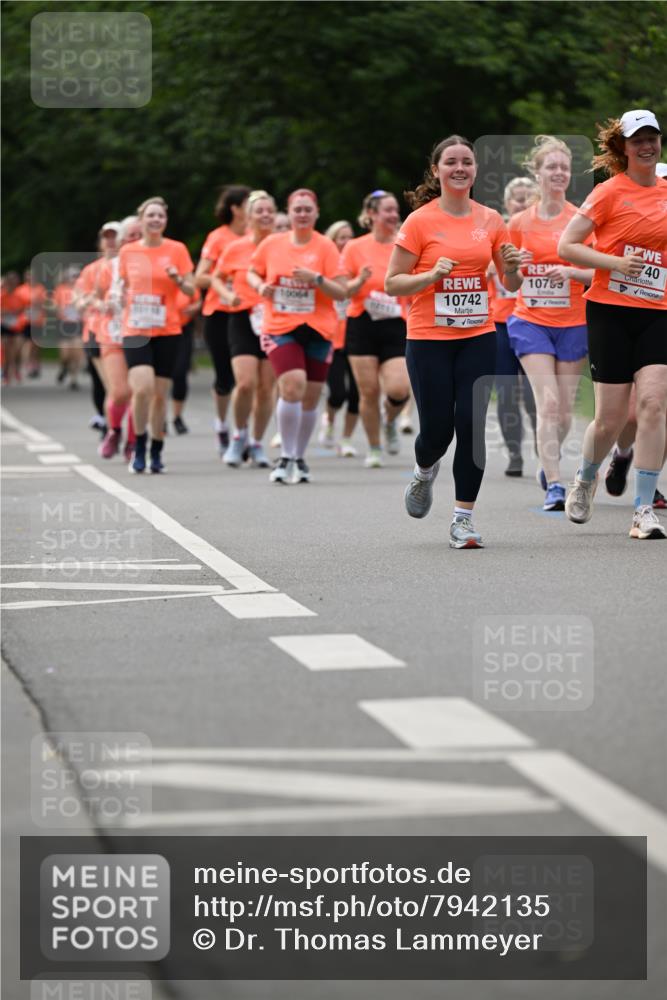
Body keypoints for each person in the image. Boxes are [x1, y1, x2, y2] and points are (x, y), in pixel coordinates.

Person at [385, 135, 522, 548]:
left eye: (467, 162)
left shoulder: (490, 219)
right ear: (436, 171)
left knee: (471, 426)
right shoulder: (420, 222)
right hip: (429, 337)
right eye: (451, 162)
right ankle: (424, 471)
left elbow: (511, 283)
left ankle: (463, 519)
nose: (459, 168)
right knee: (438, 431)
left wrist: (514, 268)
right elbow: (392, 282)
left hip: (478, 335)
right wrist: (430, 277)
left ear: (476, 170)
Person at [559, 109, 667, 540]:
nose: (646, 145)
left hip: (659, 310)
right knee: (610, 418)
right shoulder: (607, 193)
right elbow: (567, 246)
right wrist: (615, 262)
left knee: (654, 405)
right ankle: (586, 478)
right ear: (622, 147)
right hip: (610, 310)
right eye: (637, 139)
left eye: (652, 138)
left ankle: (643, 508)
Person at [506, 137, 593, 509]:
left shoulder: (581, 219)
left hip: (573, 321)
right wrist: (514, 266)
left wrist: (572, 272)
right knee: (550, 402)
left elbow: (598, 273)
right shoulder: (519, 222)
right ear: (537, 173)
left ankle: (548, 460)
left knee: (565, 412)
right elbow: (509, 283)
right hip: (531, 320)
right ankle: (556, 485)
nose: (558, 173)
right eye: (551, 167)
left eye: (564, 167)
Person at [247, 187, 347, 483]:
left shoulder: (326, 246)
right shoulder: (272, 244)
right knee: (292, 385)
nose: (302, 214)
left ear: (316, 214)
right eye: (297, 209)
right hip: (280, 326)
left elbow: (342, 290)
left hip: (318, 328)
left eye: (307, 209)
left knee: (311, 397)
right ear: (288, 214)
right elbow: (252, 271)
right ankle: (286, 456)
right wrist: (259, 286)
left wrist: (316, 279)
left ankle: (300, 458)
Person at [118, 196, 195, 474]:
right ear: (141, 219)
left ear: (165, 221)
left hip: (168, 329)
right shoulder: (127, 252)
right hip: (136, 329)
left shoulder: (177, 250)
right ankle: (138, 445)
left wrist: (177, 279)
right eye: (150, 215)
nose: (155, 220)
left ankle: (157, 448)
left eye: (160, 216)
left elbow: (191, 291)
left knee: (160, 396)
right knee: (142, 389)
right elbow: (121, 286)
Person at [341, 191, 410, 467]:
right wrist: (358, 281)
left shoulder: (404, 245)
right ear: (371, 215)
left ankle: (390, 420)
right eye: (387, 210)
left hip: (396, 322)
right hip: (362, 323)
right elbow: (342, 289)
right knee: (368, 391)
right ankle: (374, 447)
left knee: (399, 388)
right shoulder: (354, 247)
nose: (394, 215)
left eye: (395, 210)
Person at [211, 189, 277, 467]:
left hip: (275, 320)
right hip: (241, 317)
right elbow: (216, 278)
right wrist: (227, 297)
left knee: (266, 387)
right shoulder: (235, 247)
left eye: (269, 210)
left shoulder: (282, 245)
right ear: (248, 217)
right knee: (246, 382)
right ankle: (238, 435)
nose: (264, 215)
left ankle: (257, 442)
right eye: (258, 211)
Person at [195, 185, 251, 454]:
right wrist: (227, 276)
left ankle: (245, 431)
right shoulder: (218, 238)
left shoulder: (258, 238)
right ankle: (221, 424)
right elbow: (200, 276)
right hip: (219, 312)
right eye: (248, 204)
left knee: (248, 378)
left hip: (250, 312)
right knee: (224, 378)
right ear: (236, 208)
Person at [489, 177, 538, 476]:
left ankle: (545, 448)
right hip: (501, 323)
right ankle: (515, 454)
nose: (520, 202)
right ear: (506, 204)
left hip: (535, 321)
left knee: (536, 394)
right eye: (515, 198)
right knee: (507, 392)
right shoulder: (494, 235)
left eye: (527, 197)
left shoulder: (543, 233)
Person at [319, 220, 360, 457]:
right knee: (337, 393)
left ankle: (346, 439)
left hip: (355, 336)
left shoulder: (359, 263)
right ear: (332, 241)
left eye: (349, 236)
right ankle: (330, 419)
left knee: (356, 394)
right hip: (332, 337)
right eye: (341, 237)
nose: (346, 242)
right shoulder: (326, 265)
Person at [171, 286, 201, 434]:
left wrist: (194, 308)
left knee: (180, 373)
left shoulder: (186, 282)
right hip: (159, 330)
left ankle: (177, 417)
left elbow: (199, 301)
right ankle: (159, 418)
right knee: (158, 377)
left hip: (183, 329)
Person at [53, 266, 84, 389]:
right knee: (65, 354)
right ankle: (64, 367)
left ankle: (73, 380)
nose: (75, 278)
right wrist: (61, 309)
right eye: (72, 276)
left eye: (77, 275)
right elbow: (54, 305)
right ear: (67, 278)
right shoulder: (60, 289)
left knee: (77, 353)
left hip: (77, 323)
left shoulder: (82, 289)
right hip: (64, 324)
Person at [16, 268, 47, 379]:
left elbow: (45, 304)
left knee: (36, 345)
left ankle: (35, 363)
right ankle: (28, 364)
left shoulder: (40, 289)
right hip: (25, 321)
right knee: (27, 343)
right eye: (28, 276)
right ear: (25, 277)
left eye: (32, 276)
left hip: (38, 320)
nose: (30, 278)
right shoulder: (20, 290)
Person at [1, 271, 26, 385]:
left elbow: (24, 310)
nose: (12, 284)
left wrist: (17, 313)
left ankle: (16, 369)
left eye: (14, 281)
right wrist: (7, 312)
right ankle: (6, 373)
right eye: (10, 281)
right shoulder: (2, 296)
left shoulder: (20, 296)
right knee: (6, 350)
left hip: (16, 326)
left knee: (17, 350)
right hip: (4, 326)